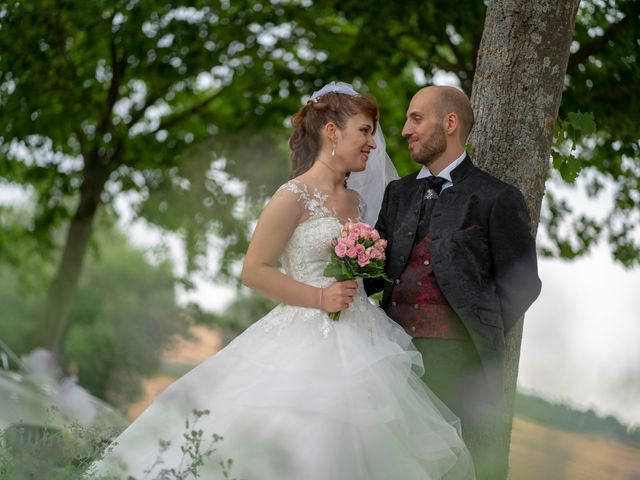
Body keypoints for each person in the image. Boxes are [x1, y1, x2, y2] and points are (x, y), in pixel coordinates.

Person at [88, 82, 475, 480]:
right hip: (305, 338)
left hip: (366, 342)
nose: (373, 145)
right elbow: (254, 270)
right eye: (364, 131)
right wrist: (320, 297)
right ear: (332, 132)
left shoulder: (360, 202)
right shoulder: (292, 196)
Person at [368, 85, 542, 480]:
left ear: (449, 123)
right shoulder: (399, 193)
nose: (405, 131)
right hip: (390, 355)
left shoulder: (496, 197)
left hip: (456, 364)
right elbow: (374, 270)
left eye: (416, 119)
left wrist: (472, 332)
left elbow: (523, 283)